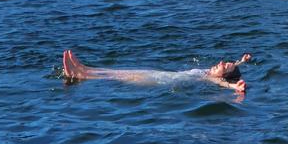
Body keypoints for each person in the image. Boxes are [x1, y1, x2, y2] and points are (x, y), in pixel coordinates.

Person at [62, 49, 251, 94]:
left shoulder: (210, 79)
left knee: (120, 77)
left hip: (162, 81)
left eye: (225, 66)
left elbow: (222, 83)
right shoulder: (208, 72)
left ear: (223, 75)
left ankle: (81, 76)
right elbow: (233, 67)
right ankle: (84, 69)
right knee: (119, 71)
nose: (221, 62)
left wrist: (236, 87)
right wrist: (242, 61)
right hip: (161, 74)